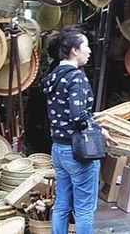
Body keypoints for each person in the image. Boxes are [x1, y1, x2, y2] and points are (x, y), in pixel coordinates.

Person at [42, 25, 117, 234]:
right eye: (86, 46)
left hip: (58, 148)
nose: (90, 51)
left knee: (62, 205)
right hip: (78, 152)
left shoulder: (55, 75)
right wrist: (99, 130)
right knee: (84, 208)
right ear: (75, 50)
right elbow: (78, 115)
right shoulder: (76, 77)